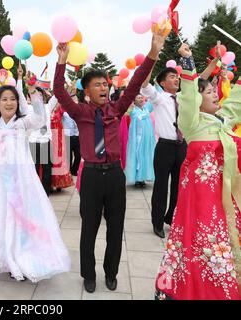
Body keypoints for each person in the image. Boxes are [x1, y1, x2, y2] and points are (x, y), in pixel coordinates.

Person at [54, 32, 165, 293]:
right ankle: (88, 275)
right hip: (91, 176)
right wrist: (61, 61)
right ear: (87, 90)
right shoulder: (80, 112)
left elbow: (137, 81)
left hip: (115, 175)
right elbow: (59, 90)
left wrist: (153, 52)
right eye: (97, 85)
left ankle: (111, 272)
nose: (103, 88)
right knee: (89, 229)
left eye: (105, 84)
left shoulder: (117, 108)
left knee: (116, 228)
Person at [0, 76, 70, 282]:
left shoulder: (23, 123)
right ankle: (6, 257)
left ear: (18, 102)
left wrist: (32, 92)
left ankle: (24, 256)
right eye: (4, 99)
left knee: (23, 218)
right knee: (2, 218)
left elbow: (39, 116)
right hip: (0, 187)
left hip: (23, 183)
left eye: (12, 99)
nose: (9, 103)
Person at [155, 43, 241, 300]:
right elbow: (189, 96)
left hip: (226, 197)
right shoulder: (192, 123)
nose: (216, 95)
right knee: (203, 245)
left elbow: (236, 101)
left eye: (216, 91)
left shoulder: (223, 121)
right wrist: (188, 60)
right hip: (200, 200)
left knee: (225, 243)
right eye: (210, 92)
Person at [125, 94, 156, 188]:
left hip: (147, 140)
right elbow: (126, 108)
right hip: (137, 139)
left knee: (146, 157)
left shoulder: (147, 109)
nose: (141, 99)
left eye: (142, 97)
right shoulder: (133, 111)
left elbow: (153, 98)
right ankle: (137, 179)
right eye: (138, 97)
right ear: (134, 101)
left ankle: (143, 178)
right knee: (138, 158)